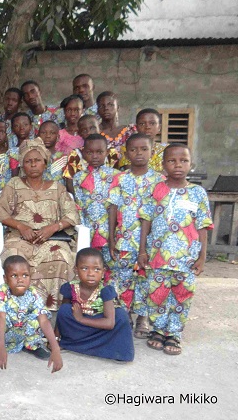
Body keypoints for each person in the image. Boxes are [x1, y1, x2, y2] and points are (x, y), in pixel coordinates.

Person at [138, 144, 213, 355]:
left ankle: (174, 334)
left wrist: (202, 257)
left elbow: (203, 226)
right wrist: (142, 250)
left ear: (191, 164)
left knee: (182, 294)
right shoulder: (156, 189)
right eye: (172, 161)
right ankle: (158, 330)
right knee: (157, 293)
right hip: (158, 255)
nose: (178, 165)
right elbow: (146, 220)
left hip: (186, 258)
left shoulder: (197, 193)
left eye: (183, 161)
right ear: (163, 165)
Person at [0, 140, 79, 311]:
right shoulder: (14, 185)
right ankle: (18, 309)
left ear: (45, 163)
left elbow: (72, 215)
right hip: (19, 238)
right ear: (22, 165)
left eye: (37, 160)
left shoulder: (58, 188)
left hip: (51, 239)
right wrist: (21, 227)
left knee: (61, 257)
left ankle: (52, 310)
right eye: (28, 161)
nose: (33, 164)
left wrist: (52, 228)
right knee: (14, 257)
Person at [107, 134, 164, 337]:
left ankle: (142, 317)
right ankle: (125, 315)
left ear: (152, 152)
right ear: (126, 153)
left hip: (150, 241)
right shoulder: (120, 178)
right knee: (123, 277)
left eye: (144, 149)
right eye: (133, 149)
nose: (138, 153)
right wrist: (111, 238)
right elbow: (113, 208)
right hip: (124, 238)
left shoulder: (160, 180)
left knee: (145, 278)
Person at [0, 255, 63, 372]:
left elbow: (43, 320)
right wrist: (0, 346)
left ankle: (32, 345)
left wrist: (55, 348)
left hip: (23, 331)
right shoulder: (1, 292)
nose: (20, 280)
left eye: (25, 275)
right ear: (5, 279)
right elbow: (1, 318)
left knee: (38, 316)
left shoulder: (33, 293)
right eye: (14, 276)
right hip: (4, 333)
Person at [56, 248, 134, 362]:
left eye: (97, 269)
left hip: (100, 328)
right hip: (79, 331)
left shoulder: (106, 291)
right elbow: (60, 318)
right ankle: (71, 343)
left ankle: (83, 346)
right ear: (76, 270)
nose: (91, 274)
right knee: (64, 310)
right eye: (84, 268)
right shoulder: (70, 288)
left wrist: (81, 319)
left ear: (103, 272)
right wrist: (55, 339)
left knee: (121, 316)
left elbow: (109, 323)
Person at [73, 134, 120, 271]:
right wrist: (82, 233)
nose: (95, 156)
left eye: (99, 152)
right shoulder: (78, 177)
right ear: (83, 153)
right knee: (91, 267)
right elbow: (79, 206)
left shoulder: (116, 175)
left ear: (107, 152)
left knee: (111, 267)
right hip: (88, 230)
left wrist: (112, 237)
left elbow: (115, 206)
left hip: (110, 231)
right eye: (90, 152)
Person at [63, 115, 120, 195]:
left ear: (99, 128)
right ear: (79, 133)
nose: (89, 132)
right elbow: (69, 180)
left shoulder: (112, 152)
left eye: (92, 128)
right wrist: (77, 199)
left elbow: (117, 177)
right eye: (84, 130)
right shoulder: (75, 154)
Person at [119, 108, 168, 172]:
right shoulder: (127, 148)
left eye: (152, 123)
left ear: (159, 127)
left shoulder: (166, 149)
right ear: (136, 127)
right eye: (142, 124)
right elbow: (132, 172)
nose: (147, 127)